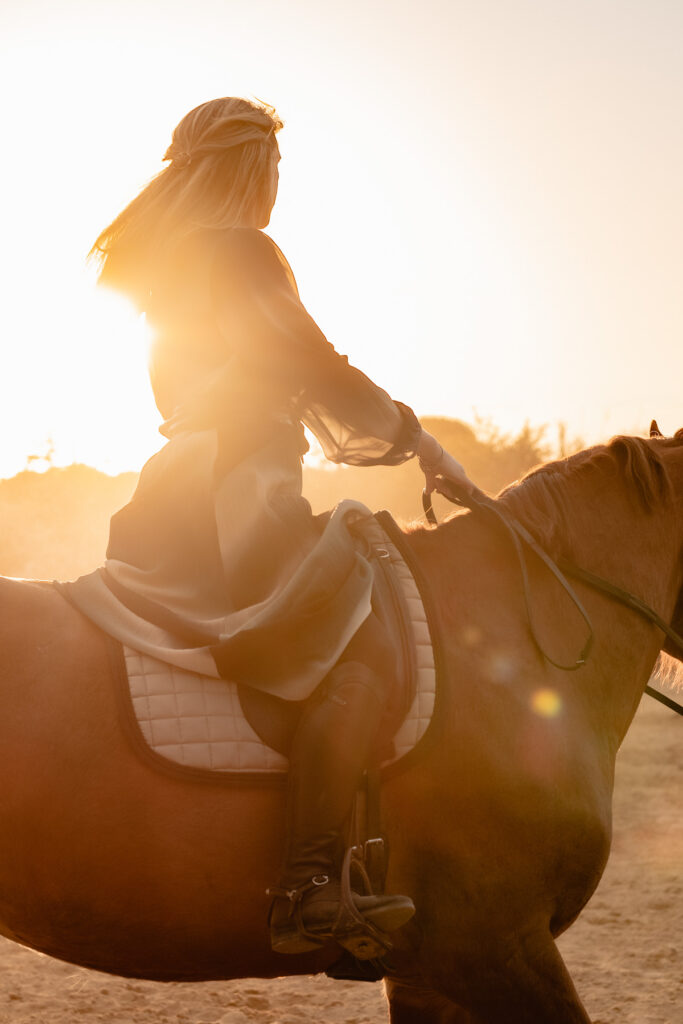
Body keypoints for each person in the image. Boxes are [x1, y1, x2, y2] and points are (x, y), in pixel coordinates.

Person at [60, 97, 475, 956]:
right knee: (354, 649)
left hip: (175, 499)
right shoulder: (241, 252)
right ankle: (310, 886)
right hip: (235, 498)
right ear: (254, 169)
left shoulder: (164, 270)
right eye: (276, 169)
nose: (279, 187)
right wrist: (418, 441)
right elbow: (309, 362)